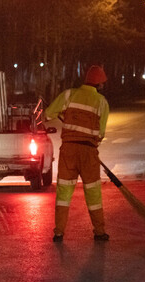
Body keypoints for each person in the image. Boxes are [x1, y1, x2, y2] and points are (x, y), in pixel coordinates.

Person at [45, 65, 110, 242]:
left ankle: (59, 232)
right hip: (89, 152)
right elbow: (100, 134)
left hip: (69, 150)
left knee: (64, 193)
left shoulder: (69, 94)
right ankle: (99, 231)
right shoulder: (102, 102)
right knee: (93, 193)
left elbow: (48, 113)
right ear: (99, 84)